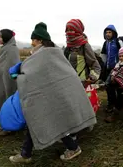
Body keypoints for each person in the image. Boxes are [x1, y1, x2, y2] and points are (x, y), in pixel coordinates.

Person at [9, 22, 96, 163]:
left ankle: (72, 148)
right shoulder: (54, 51)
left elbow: (37, 74)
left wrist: (19, 75)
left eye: (33, 40)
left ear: (40, 40)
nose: (32, 43)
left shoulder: (45, 54)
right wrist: (23, 70)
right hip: (49, 94)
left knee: (53, 120)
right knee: (42, 119)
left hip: (54, 94)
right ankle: (26, 154)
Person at [64, 19, 101, 87]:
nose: (69, 32)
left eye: (71, 30)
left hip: (82, 83)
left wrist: (92, 78)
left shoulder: (84, 46)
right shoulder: (68, 47)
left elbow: (95, 64)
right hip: (69, 82)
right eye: (67, 30)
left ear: (77, 30)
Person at [100, 24, 123, 120]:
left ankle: (117, 107)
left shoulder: (118, 42)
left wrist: (121, 66)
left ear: (113, 33)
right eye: (106, 32)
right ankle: (111, 104)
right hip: (109, 68)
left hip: (118, 68)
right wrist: (104, 66)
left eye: (109, 32)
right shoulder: (106, 43)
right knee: (109, 87)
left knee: (118, 88)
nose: (108, 34)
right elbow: (104, 55)